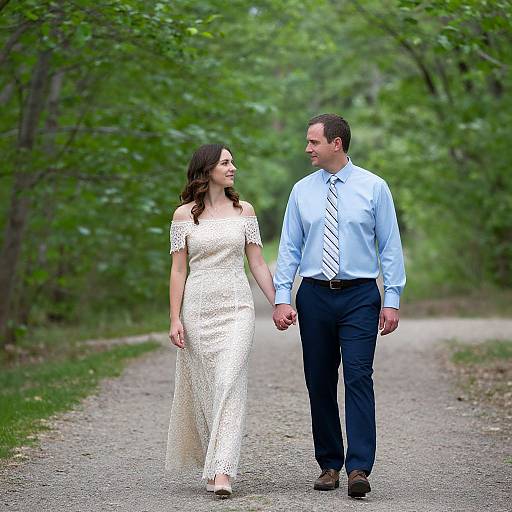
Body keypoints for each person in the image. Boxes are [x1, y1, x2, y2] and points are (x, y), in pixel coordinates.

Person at [272, 114, 406, 498]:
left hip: (360, 295)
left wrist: (392, 299)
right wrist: (283, 297)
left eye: (313, 142)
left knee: (358, 376)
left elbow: (390, 247)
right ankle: (329, 464)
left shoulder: (374, 188)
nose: (307, 148)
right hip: (313, 295)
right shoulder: (301, 191)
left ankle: (359, 467)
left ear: (337, 143)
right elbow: (289, 249)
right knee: (319, 380)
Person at [165, 144, 275, 498]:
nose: (233, 168)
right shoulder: (183, 216)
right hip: (197, 311)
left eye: (232, 162)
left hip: (238, 309)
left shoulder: (245, 211)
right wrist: (174, 319)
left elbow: (257, 263)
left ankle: (224, 470)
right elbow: (178, 270)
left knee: (229, 382)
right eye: (226, 163)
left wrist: (280, 302)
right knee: (208, 389)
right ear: (207, 169)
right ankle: (213, 467)